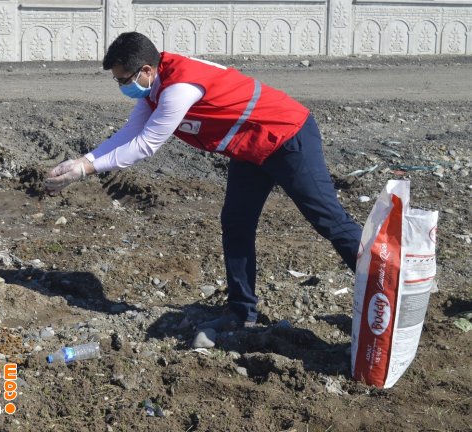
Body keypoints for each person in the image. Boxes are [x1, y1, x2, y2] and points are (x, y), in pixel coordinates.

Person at [43, 31, 363, 342]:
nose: (121, 87)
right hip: (249, 146)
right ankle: (241, 312)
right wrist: (83, 160)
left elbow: (146, 145)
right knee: (236, 224)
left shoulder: (179, 88)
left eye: (123, 80)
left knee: (329, 221)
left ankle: (384, 290)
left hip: (287, 136)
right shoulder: (155, 87)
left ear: (146, 70)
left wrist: (86, 169)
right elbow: (132, 131)